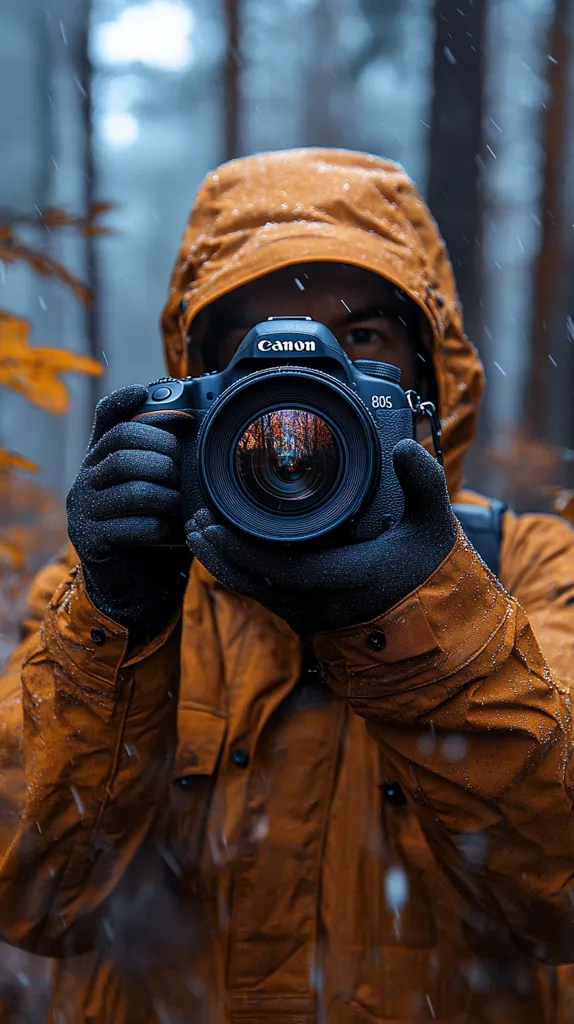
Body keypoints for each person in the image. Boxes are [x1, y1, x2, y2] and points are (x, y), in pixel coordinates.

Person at [0, 148, 574, 1024]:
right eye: (250, 358)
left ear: (429, 385)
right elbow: (33, 898)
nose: (303, 403)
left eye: (363, 343)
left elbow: (562, 897)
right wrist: (117, 615)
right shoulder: (107, 597)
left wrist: (421, 613)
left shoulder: (528, 569)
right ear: (196, 393)